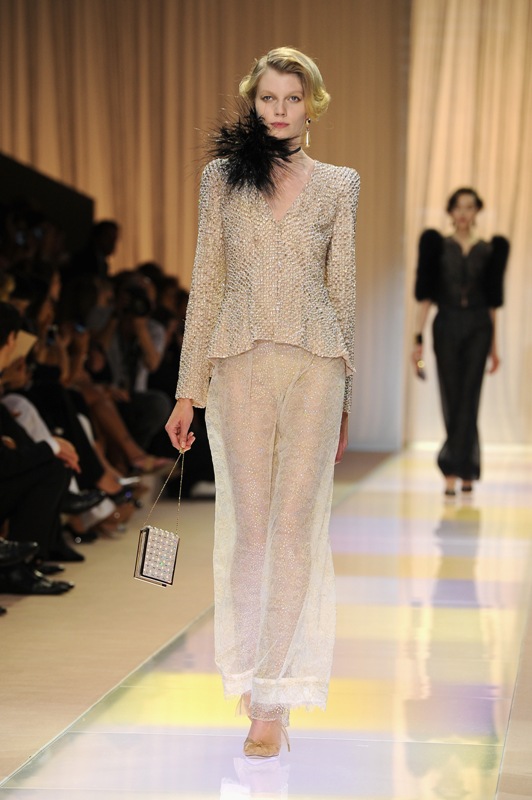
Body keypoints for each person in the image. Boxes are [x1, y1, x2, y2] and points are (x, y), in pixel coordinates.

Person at [165, 47, 360, 757]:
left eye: (292, 98)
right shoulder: (221, 178)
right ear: (253, 101)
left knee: (294, 530)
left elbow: (343, 290)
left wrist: (347, 397)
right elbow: (208, 282)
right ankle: (250, 675)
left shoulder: (339, 184)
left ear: (313, 105)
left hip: (316, 366)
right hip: (240, 362)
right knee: (250, 531)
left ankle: (272, 699)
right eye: (268, 98)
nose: (280, 111)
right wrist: (188, 391)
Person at [411, 188, 509, 496]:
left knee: (470, 396)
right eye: (458, 207)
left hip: (479, 327)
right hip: (446, 325)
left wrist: (495, 347)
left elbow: (493, 302)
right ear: (450, 211)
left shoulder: (489, 249)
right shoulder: (438, 246)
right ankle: (464, 468)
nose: (464, 213)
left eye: (469, 207)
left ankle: (455, 468)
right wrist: (417, 339)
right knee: (452, 396)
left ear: (477, 211)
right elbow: (426, 296)